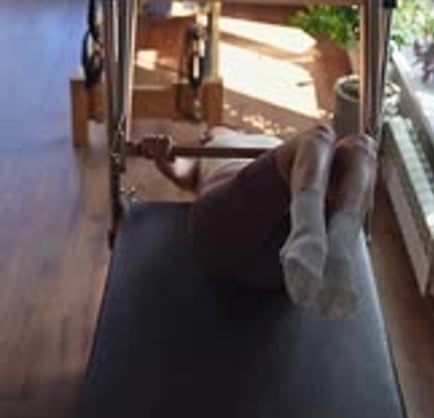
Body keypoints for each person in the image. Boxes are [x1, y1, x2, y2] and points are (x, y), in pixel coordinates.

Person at [128, 123, 377, 318]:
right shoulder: (210, 145)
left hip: (285, 258)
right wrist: (164, 155)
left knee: (361, 146)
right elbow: (182, 172)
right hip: (227, 231)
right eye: (212, 130)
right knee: (321, 135)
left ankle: (336, 251)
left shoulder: (283, 147)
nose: (216, 129)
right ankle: (316, 239)